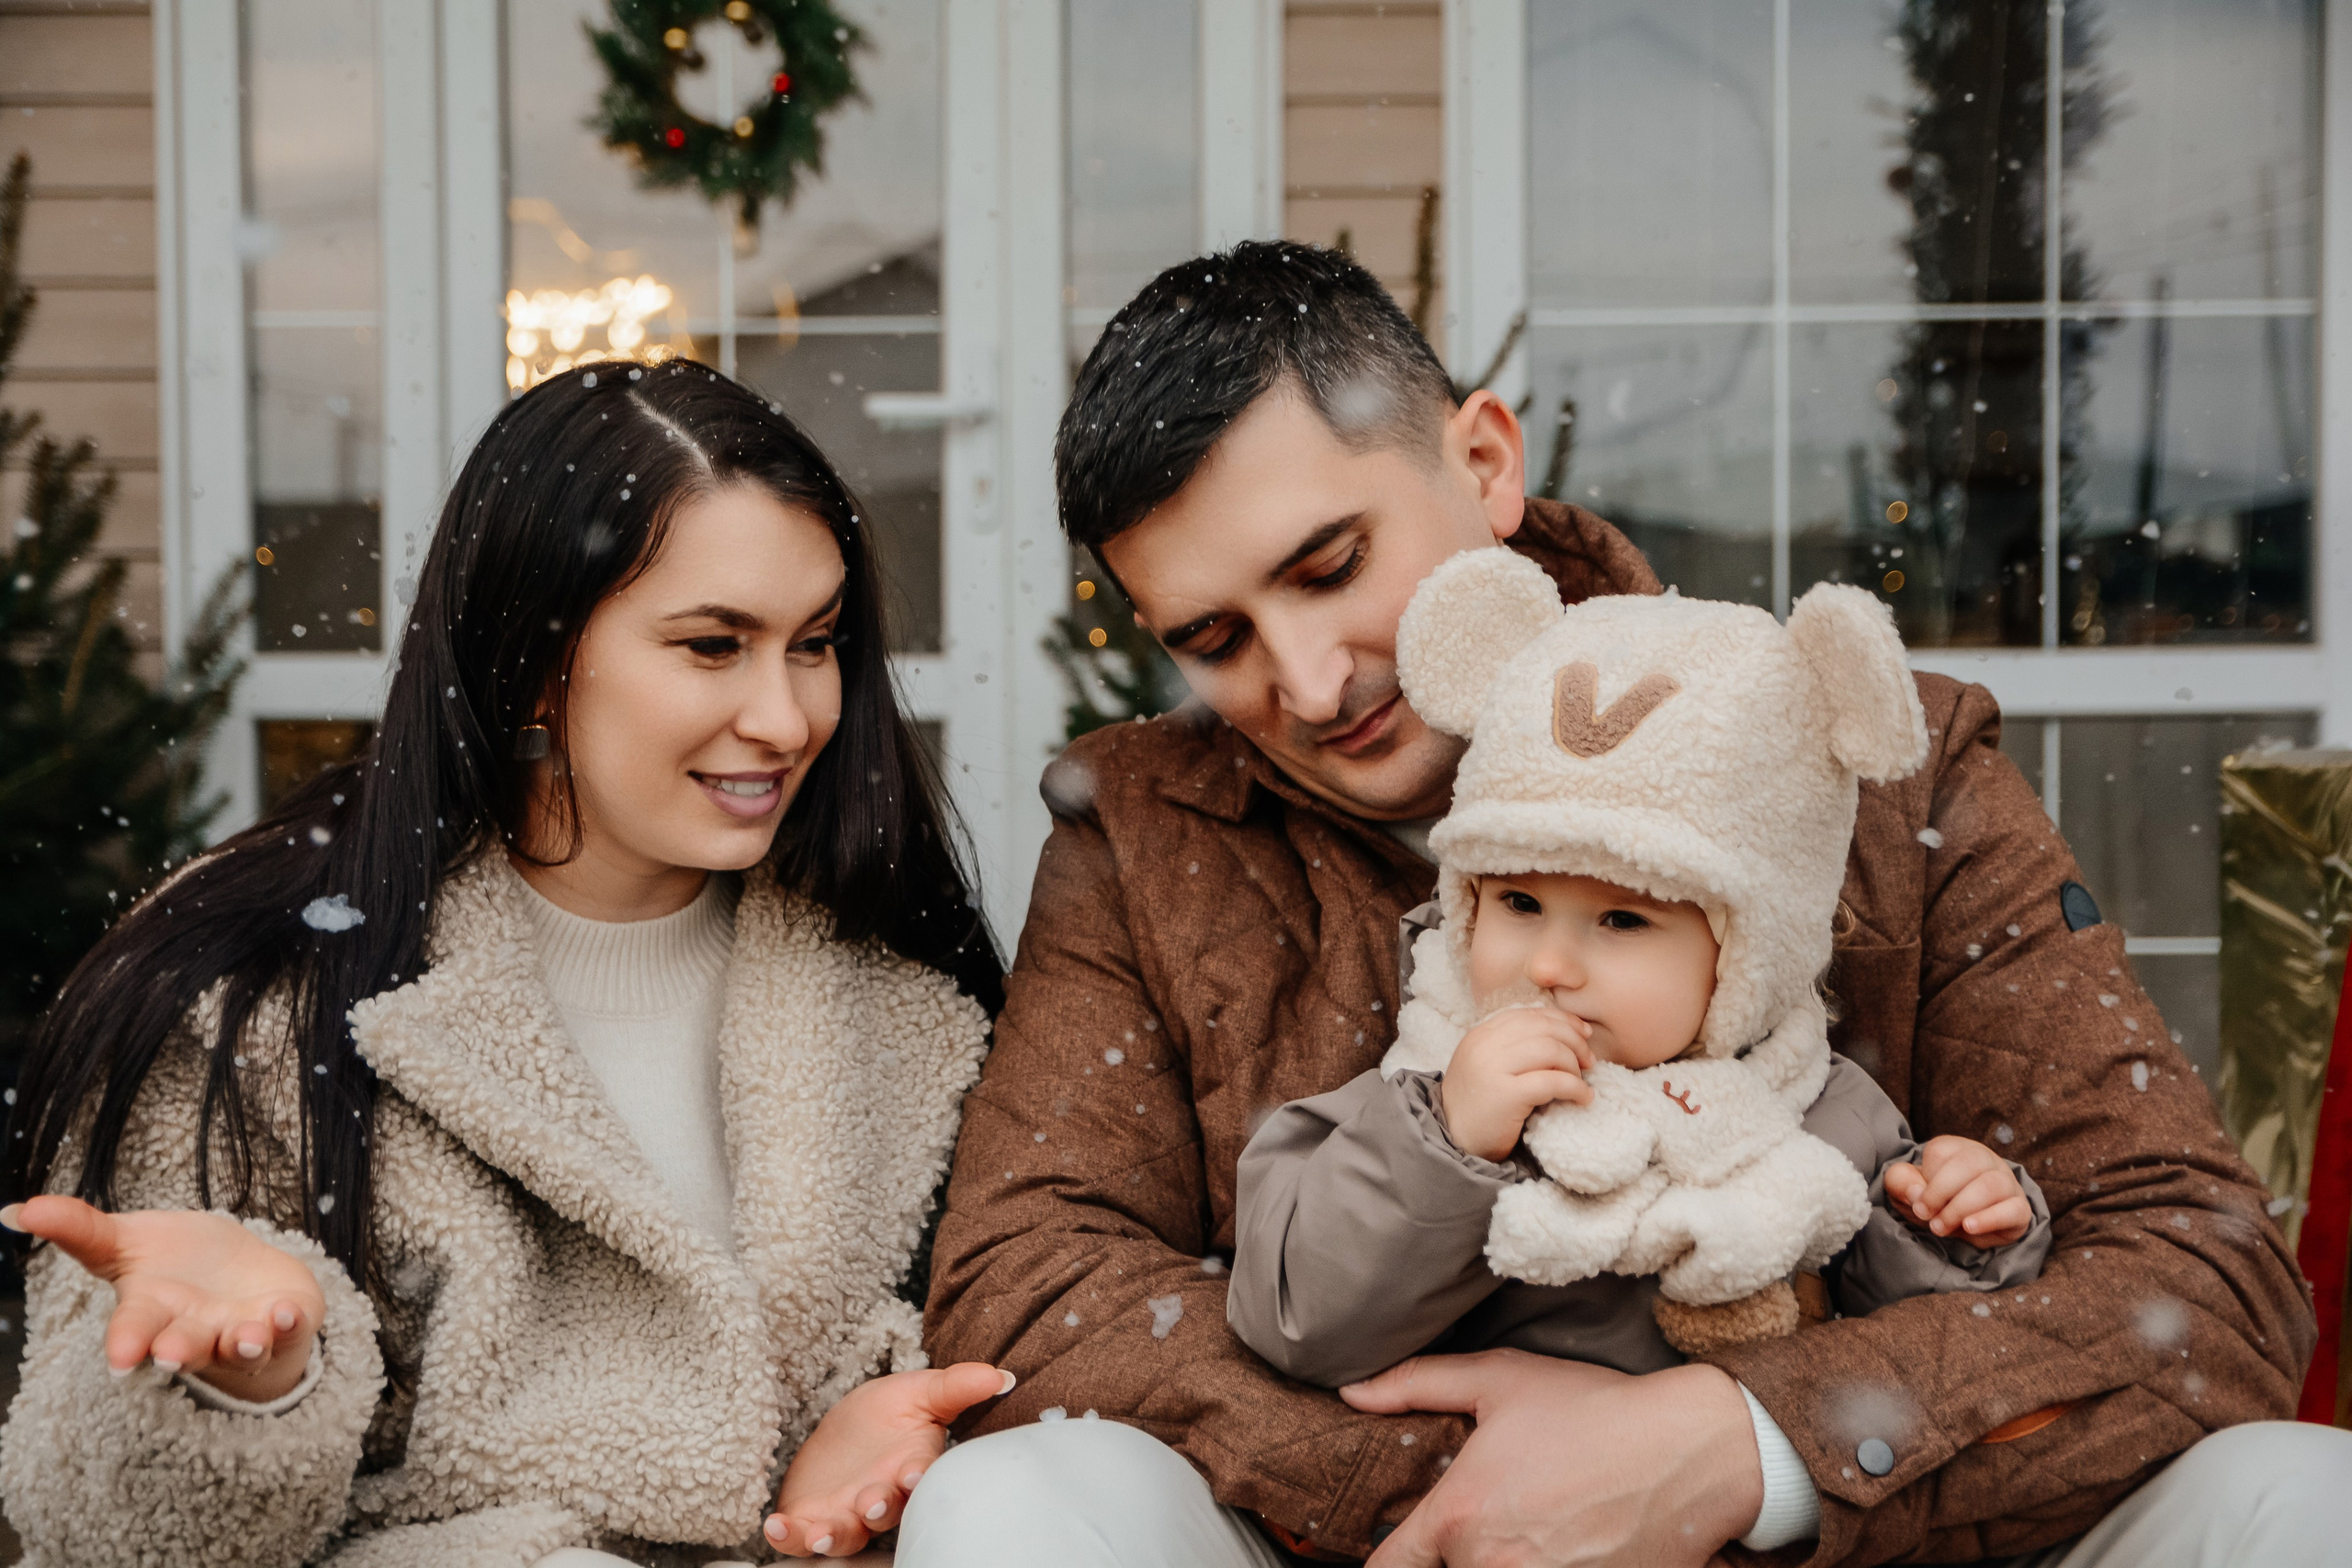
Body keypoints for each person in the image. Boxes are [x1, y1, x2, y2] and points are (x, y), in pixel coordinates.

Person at [908, 243, 2334, 1568]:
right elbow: (1032, 1292)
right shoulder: (1149, 834)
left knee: (2301, 1496)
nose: (1308, 681)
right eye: (1212, 639)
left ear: (1483, 463)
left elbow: (2198, 1282)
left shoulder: (1875, 772)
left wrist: (1740, 1443)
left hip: (1852, 1538)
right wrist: (1484, 1477)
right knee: (1014, 1499)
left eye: (1330, 565)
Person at [0, 363, 1014, 1567]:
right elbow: (86, 1529)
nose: (788, 716)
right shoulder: (254, 998)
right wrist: (244, 1388)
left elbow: (1025, 1329)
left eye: (816, 643)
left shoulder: (905, 1000)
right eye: (712, 644)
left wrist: (897, 1437)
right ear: (534, 660)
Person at [1227, 563, 2052, 1427]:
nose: (1549, 962)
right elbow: (1295, 1319)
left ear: (1746, 957)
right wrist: (1452, 1146)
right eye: (1516, 902)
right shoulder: (1421, 1099)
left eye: (1621, 920)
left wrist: (1953, 1231)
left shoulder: (1820, 1119)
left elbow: (1928, 1356)